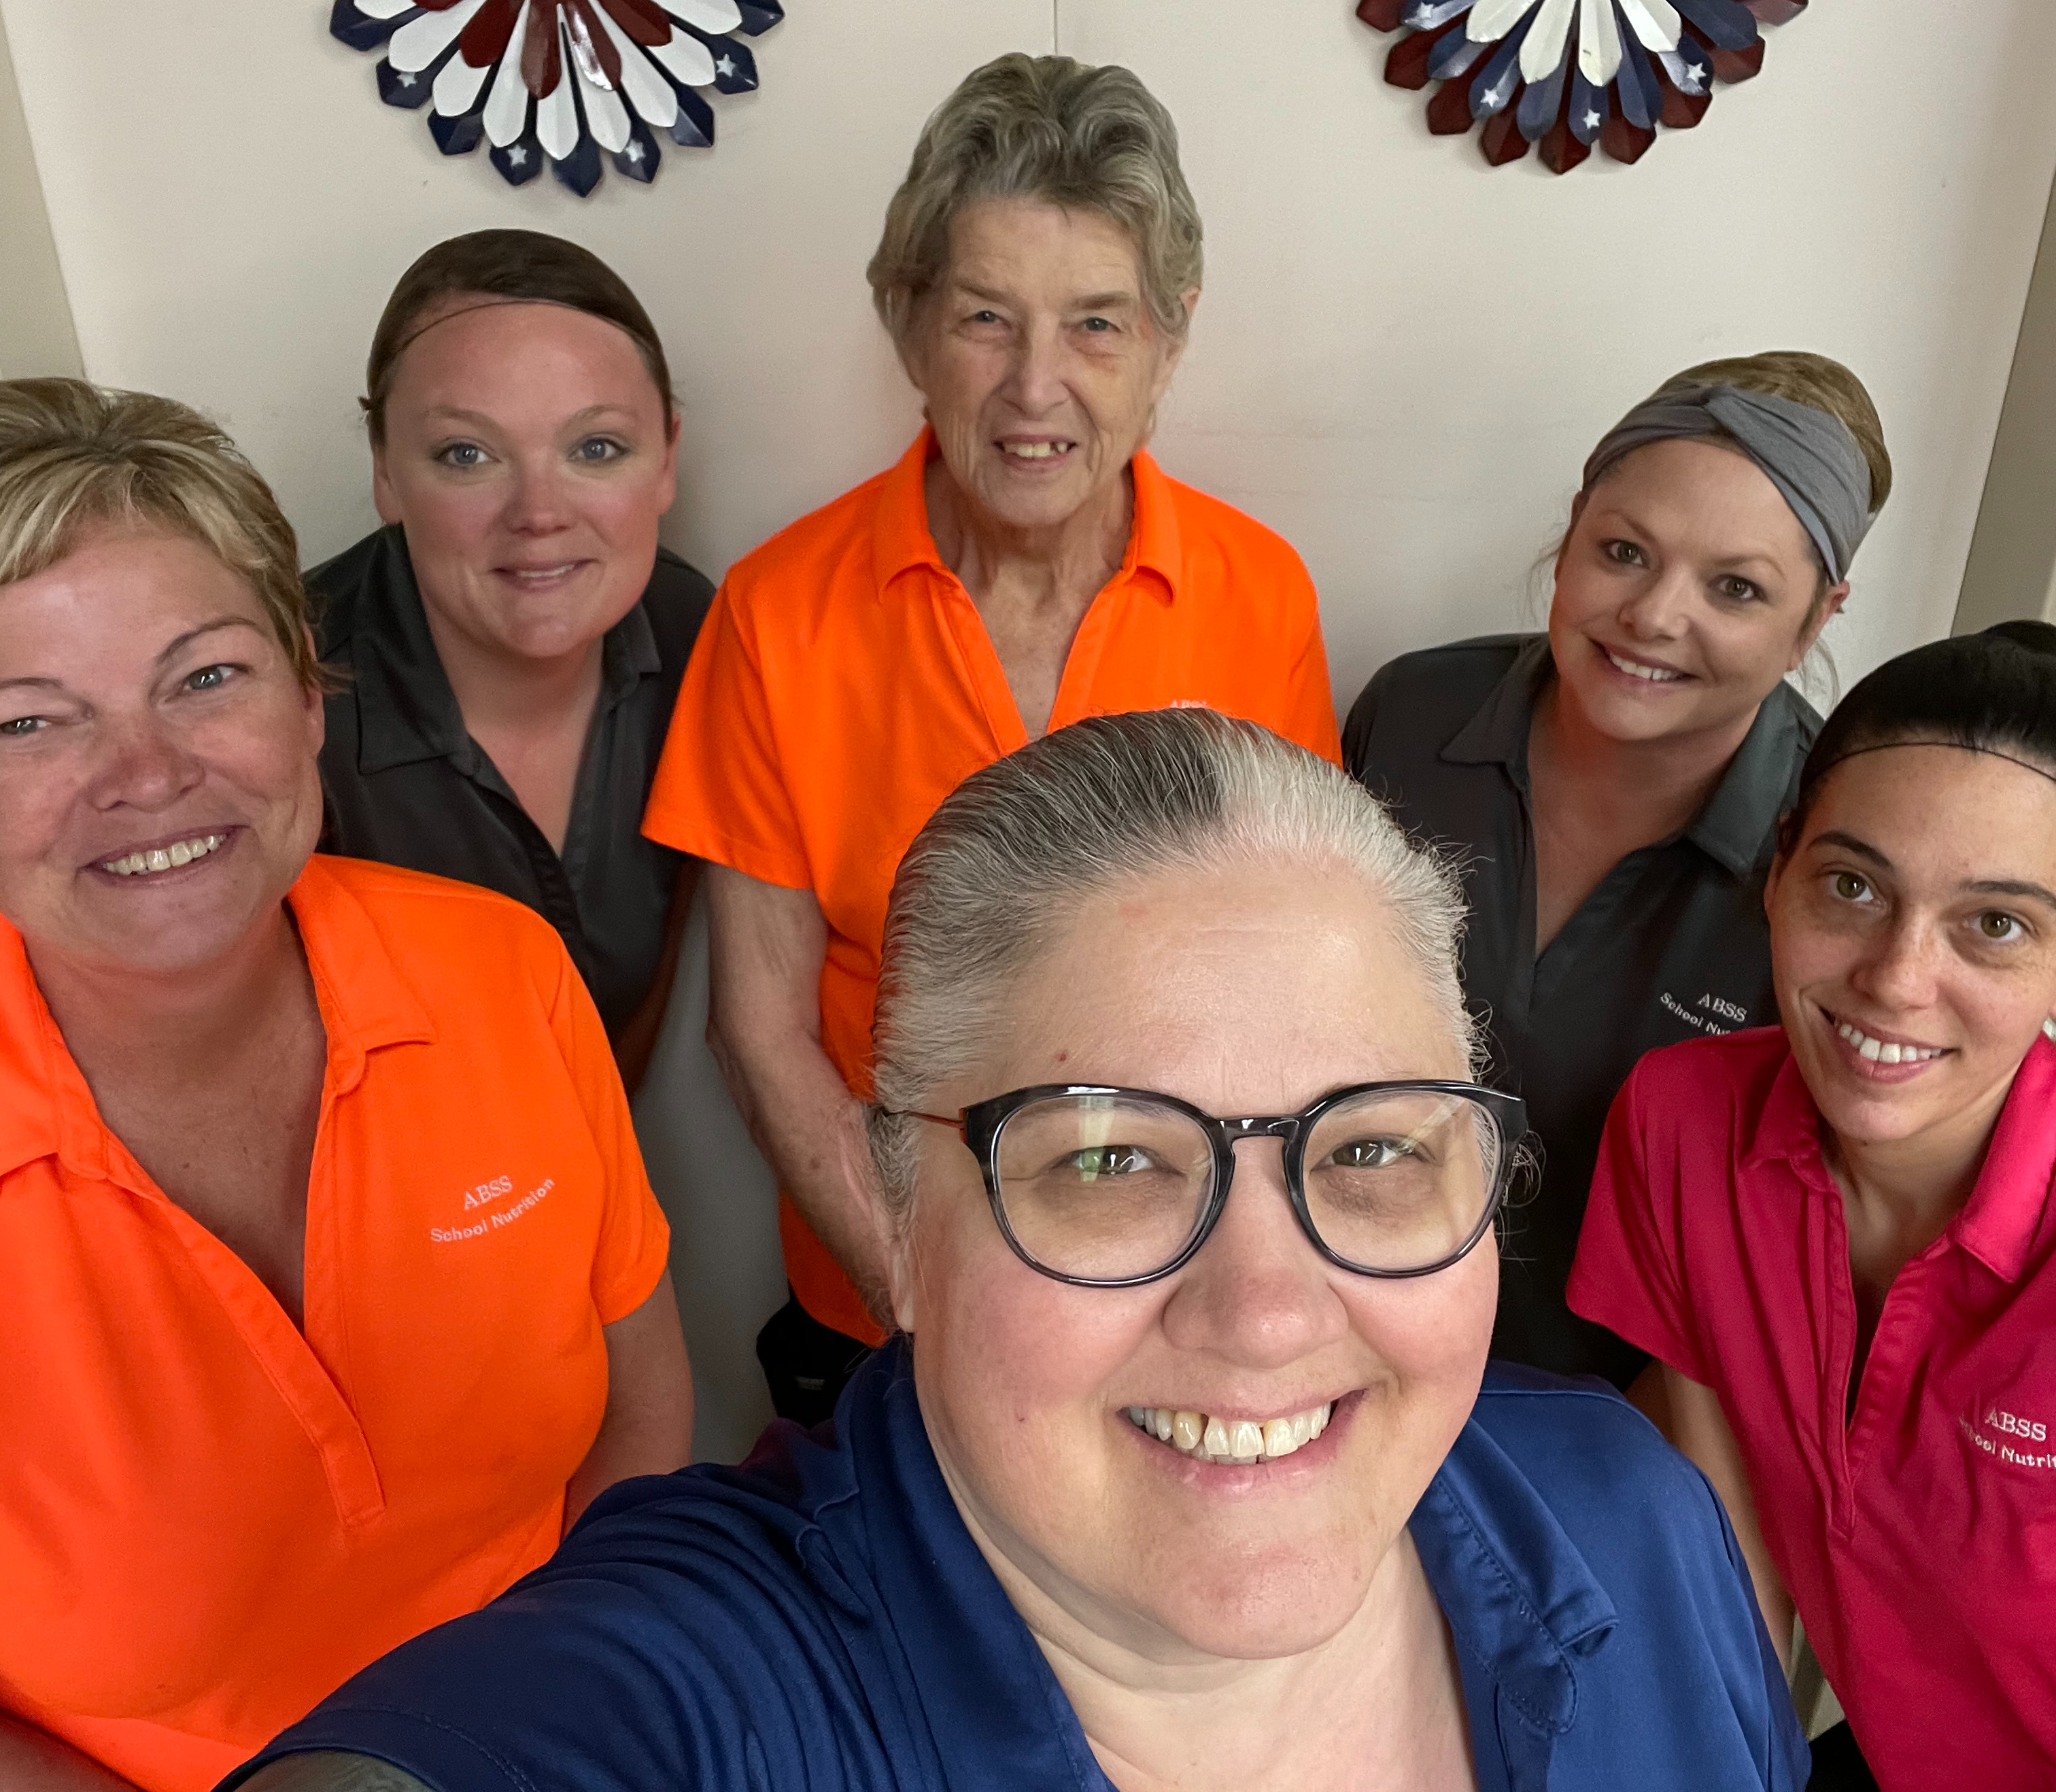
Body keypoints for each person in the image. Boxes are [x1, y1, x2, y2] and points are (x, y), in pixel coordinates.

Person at [228, 710, 1804, 1792]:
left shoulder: (1624, 1510)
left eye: (1372, 1148)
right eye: (1109, 1160)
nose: (1264, 1311)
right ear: (901, 1227)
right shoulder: (722, 1679)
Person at [0, 380, 695, 1792]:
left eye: (206, 677)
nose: (147, 776)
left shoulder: (501, 971)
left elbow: (640, 1407)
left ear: (308, 700)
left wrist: (565, 1716)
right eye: (28, 722)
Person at [643, 54, 1342, 1419]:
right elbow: (759, 1028)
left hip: (1179, 1306)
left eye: (1095, 325)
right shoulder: (777, 611)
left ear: (1168, 343)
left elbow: (1291, 989)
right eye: (984, 319)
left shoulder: (1261, 593)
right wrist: (918, 1285)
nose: (1036, 386)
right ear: (908, 329)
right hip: (885, 1310)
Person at [1571, 623, 2056, 1792]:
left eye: (1992, 923)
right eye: (1850, 885)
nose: (1892, 976)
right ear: (1776, 867)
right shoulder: (1679, 1122)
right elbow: (1729, 1558)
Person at [1345, 352, 1891, 1383]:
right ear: (1571, 534)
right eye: (1625, 551)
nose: (1653, 616)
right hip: (1338, 1344)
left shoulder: (1839, 853)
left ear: (1815, 622)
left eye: (1735, 588)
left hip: (1616, 1418)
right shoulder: (1409, 718)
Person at [309, 232, 715, 1093]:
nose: (538, 514)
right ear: (384, 470)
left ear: (668, 459)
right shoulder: (280, 705)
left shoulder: (696, 635)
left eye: (595, 448)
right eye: (467, 454)